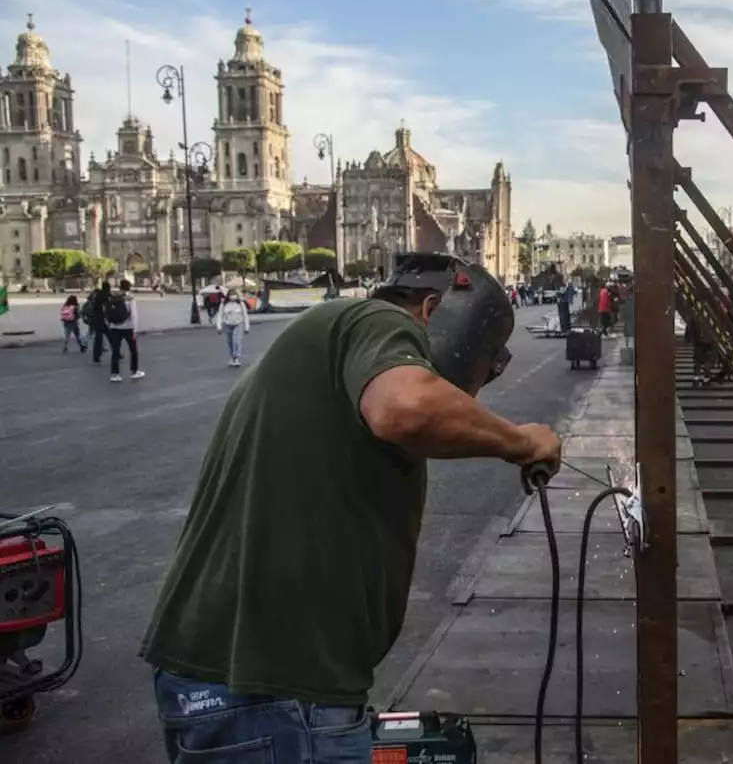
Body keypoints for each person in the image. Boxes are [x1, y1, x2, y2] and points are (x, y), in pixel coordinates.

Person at [139, 253, 560, 764]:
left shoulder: (328, 346)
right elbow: (405, 407)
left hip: (254, 680)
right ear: (431, 309)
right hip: (274, 687)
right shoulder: (374, 321)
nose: (472, 388)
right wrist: (522, 441)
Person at [105, 278, 144, 382]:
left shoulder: (113, 297)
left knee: (115, 351)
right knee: (133, 350)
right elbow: (133, 315)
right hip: (128, 327)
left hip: (114, 327)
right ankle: (134, 371)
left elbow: (108, 311)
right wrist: (135, 330)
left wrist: (110, 324)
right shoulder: (130, 298)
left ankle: (115, 374)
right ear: (129, 287)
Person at [214, 288, 251, 367]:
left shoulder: (240, 303)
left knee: (236, 341)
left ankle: (236, 357)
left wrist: (247, 327)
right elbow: (220, 315)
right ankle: (232, 357)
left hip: (238, 323)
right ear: (228, 296)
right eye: (231, 295)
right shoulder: (224, 304)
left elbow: (245, 315)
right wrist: (219, 326)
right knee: (230, 342)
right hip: (227, 324)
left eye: (234, 294)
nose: (232, 296)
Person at [84, 280, 111, 363]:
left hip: (94, 318)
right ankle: (117, 352)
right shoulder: (105, 294)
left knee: (98, 338)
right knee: (111, 336)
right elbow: (106, 308)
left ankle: (96, 357)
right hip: (101, 319)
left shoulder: (97, 294)